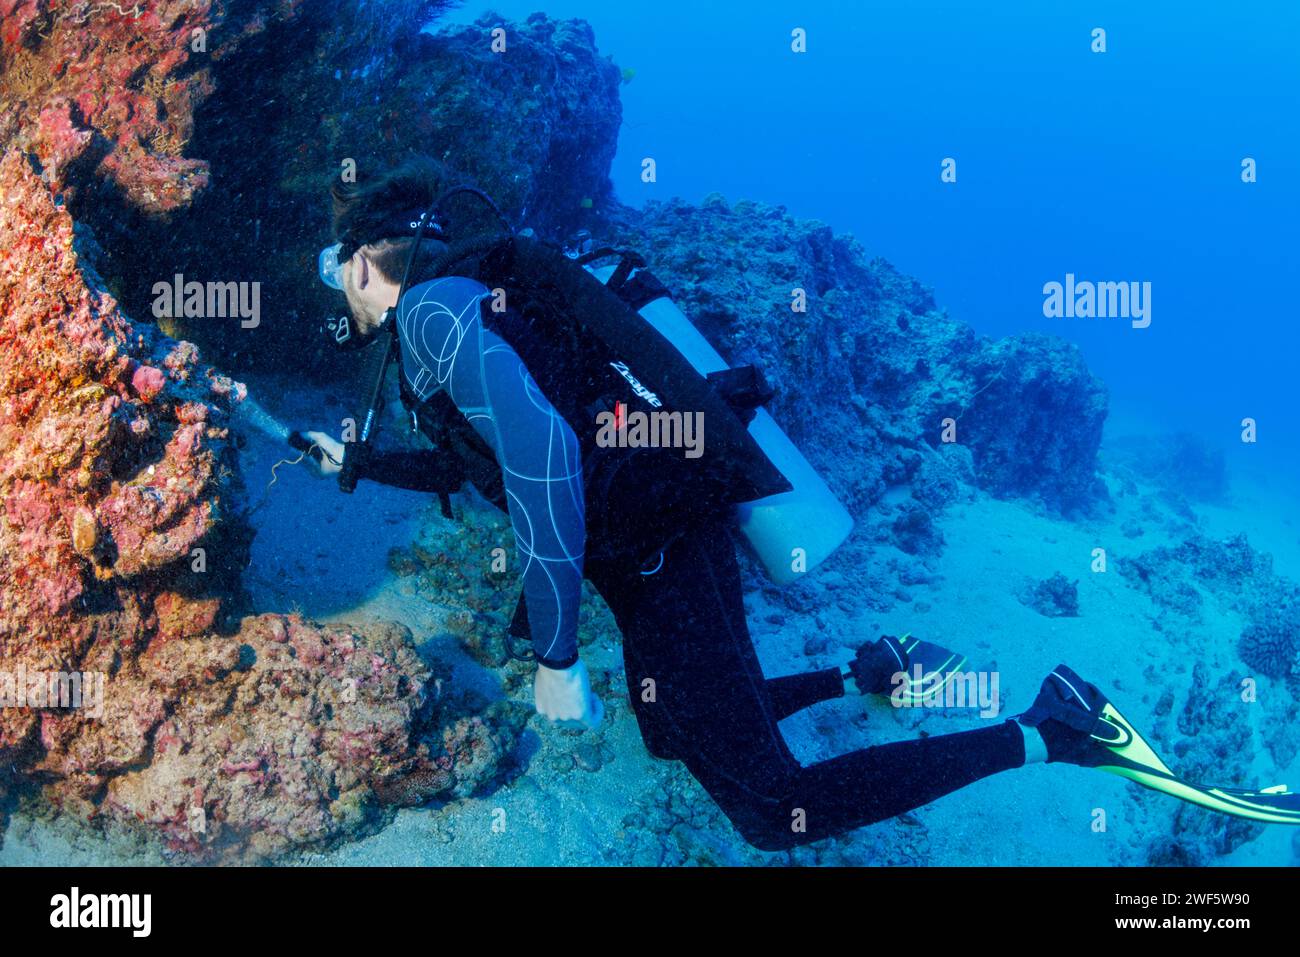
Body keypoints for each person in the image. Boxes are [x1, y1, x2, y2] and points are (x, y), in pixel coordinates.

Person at [297, 159, 1299, 850]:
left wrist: (557, 658)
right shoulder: (462, 316)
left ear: (366, 256)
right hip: (655, 529)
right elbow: (488, 467)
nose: (337, 302)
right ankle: (864, 673)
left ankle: (1051, 730)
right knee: (665, 728)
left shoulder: (431, 313)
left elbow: (550, 464)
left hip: (652, 549)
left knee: (776, 811)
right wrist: (361, 460)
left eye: (337, 275)